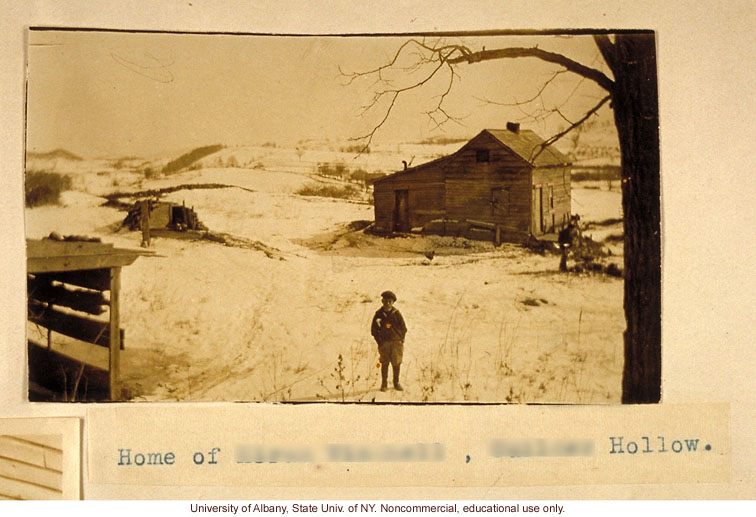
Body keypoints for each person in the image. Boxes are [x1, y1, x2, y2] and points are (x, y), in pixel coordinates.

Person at [371, 290, 407, 392]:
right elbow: (373, 330)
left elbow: (404, 328)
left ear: (393, 302)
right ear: (382, 301)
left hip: (396, 343)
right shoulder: (379, 314)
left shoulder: (397, 314)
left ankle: (396, 383)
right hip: (384, 344)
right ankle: (384, 384)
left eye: (390, 301)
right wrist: (380, 342)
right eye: (385, 301)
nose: (387, 303)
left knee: (396, 363)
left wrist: (400, 340)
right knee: (385, 363)